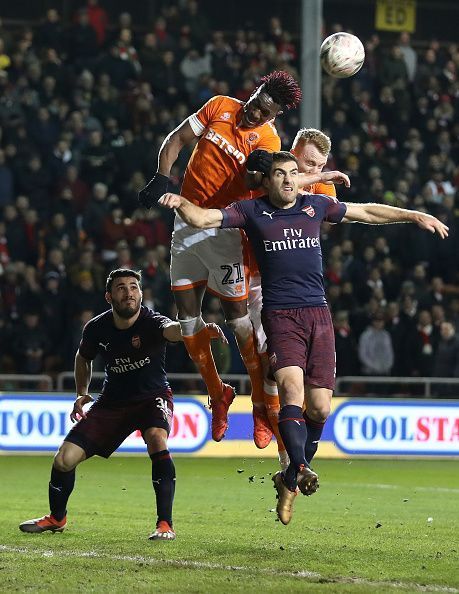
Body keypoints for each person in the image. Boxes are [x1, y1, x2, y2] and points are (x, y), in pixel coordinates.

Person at [158, 151, 448, 525]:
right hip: (281, 316)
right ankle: (301, 468)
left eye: (294, 173)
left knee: (321, 408)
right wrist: (181, 201)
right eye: (281, 174)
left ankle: (289, 477)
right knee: (291, 389)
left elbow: (365, 213)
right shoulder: (253, 212)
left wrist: (413, 215)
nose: (289, 180)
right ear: (268, 180)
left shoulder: (316, 206)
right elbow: (205, 217)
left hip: (319, 315)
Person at [138, 71, 303, 445]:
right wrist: (162, 178)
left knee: (238, 319)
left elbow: (255, 189)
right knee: (187, 317)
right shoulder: (220, 105)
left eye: (266, 114)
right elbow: (177, 138)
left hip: (225, 231)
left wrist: (253, 172)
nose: (257, 115)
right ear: (255, 91)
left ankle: (260, 403)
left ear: (273, 117)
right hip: (186, 224)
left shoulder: (269, 139)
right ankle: (219, 394)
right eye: (258, 103)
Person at [19, 268, 226, 540]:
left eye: (133, 287)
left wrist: (197, 329)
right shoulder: (96, 327)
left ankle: (165, 524)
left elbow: (173, 331)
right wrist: (81, 392)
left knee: (157, 439)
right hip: (112, 403)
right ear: (109, 296)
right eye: (121, 287)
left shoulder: (153, 322)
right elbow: (83, 358)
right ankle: (57, 518)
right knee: (63, 460)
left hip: (152, 397)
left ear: (141, 294)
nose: (128, 292)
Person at [246, 128, 349, 468]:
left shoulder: (321, 184)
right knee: (265, 351)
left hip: (298, 281)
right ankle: (261, 408)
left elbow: (332, 216)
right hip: (255, 269)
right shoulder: (271, 163)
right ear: (291, 154)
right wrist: (302, 177)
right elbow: (264, 189)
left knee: (292, 378)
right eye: (306, 163)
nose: (313, 170)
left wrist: (312, 179)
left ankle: (288, 455)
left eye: (318, 165)